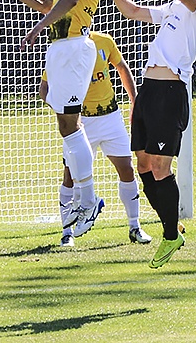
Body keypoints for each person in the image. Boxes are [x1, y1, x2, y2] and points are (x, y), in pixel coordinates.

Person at [104, 0, 196, 269]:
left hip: (171, 93)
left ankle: (171, 234)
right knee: (142, 164)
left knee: (160, 167)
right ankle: (172, 226)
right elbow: (135, 12)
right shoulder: (174, 5)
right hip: (148, 91)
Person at [0, 0, 110, 238]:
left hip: (74, 46)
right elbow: (50, 3)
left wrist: (39, 28)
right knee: (64, 121)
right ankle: (83, 198)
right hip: (63, 47)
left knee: (71, 123)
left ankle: (87, 199)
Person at [40, 31, 152, 247]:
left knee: (127, 169)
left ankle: (134, 226)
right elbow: (44, 89)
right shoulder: (62, 50)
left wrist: (134, 100)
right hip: (80, 123)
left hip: (110, 117)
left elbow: (121, 67)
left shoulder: (104, 41)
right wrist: (63, 111)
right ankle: (67, 233)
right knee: (70, 176)